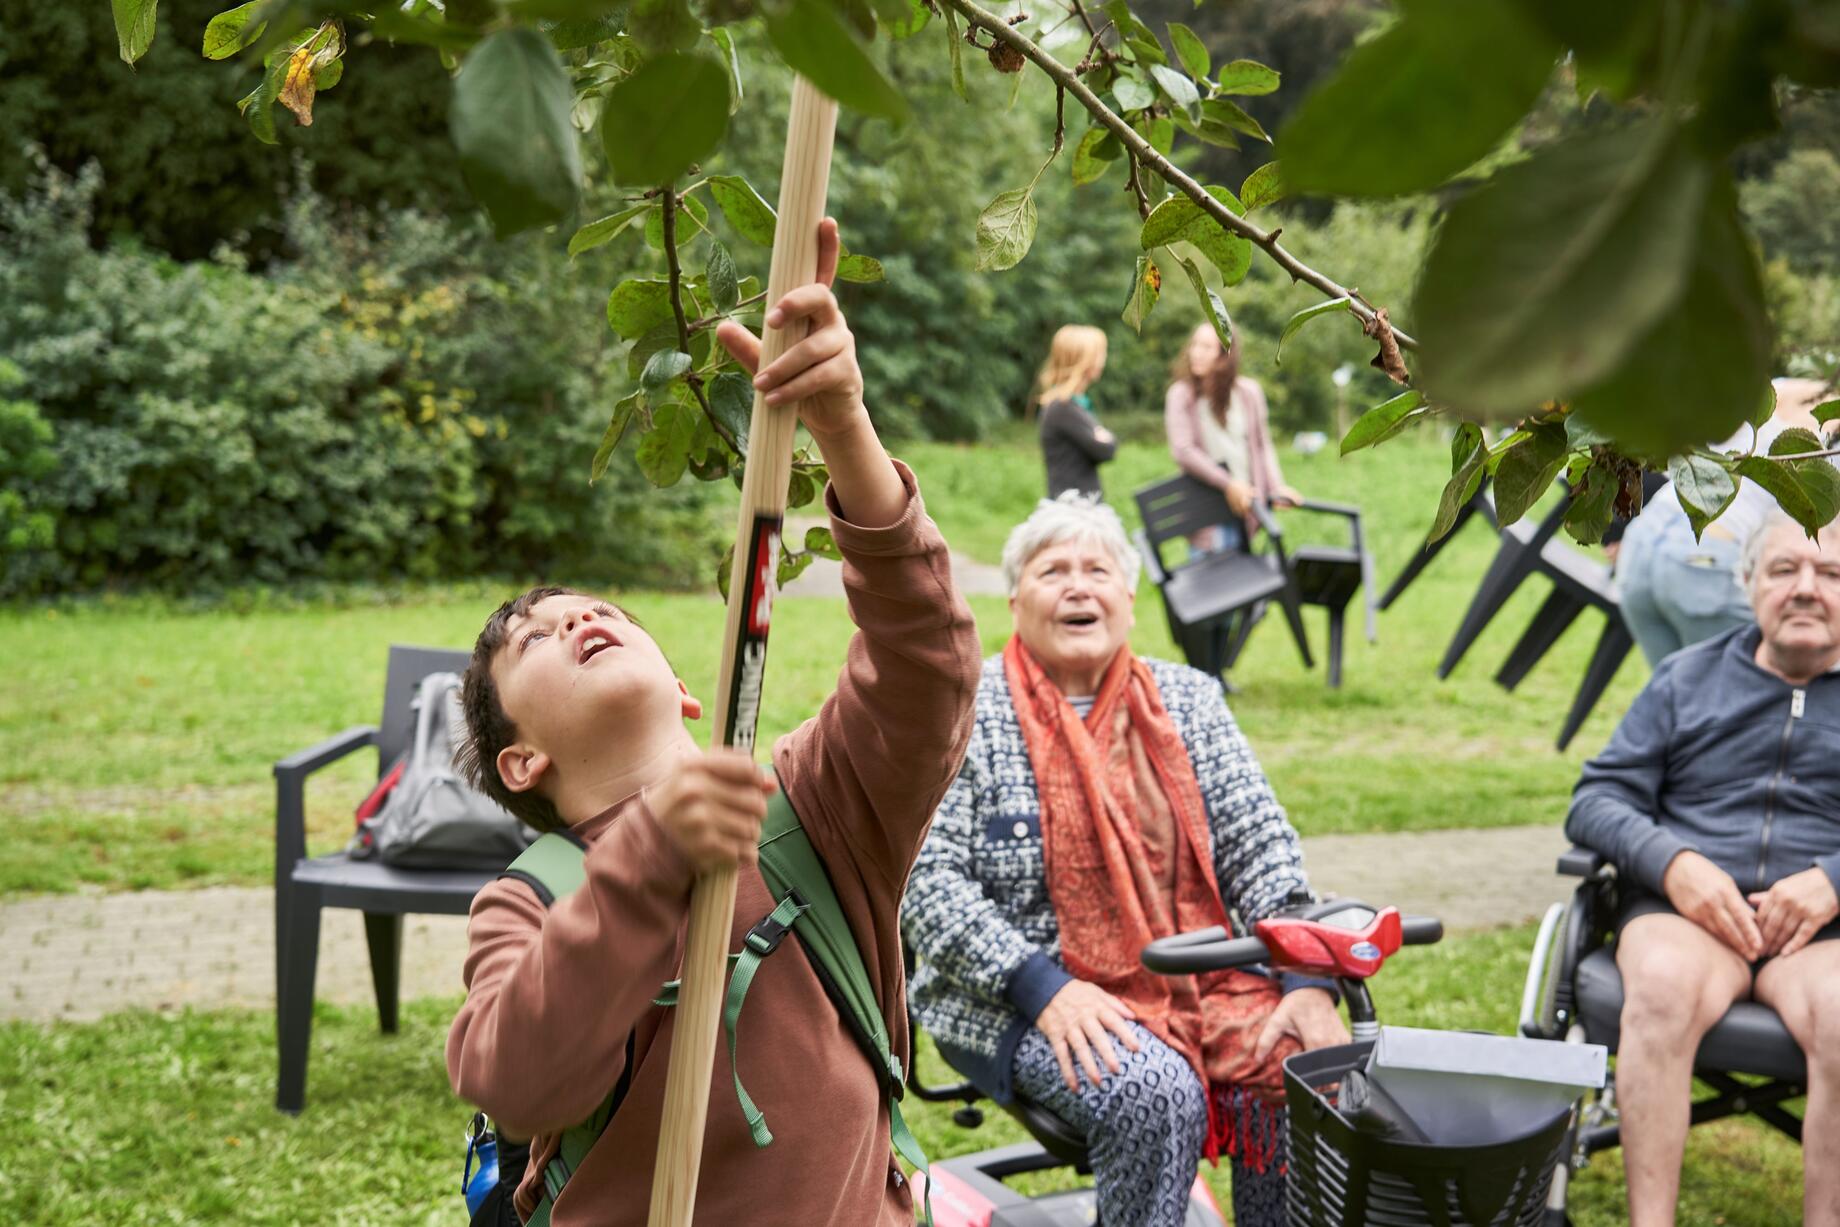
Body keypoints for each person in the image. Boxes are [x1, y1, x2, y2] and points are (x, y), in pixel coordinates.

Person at [444, 219, 980, 1227]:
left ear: (688, 688)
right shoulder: (529, 903)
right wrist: (652, 853)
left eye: (597, 612)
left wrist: (842, 427)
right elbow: (514, 1080)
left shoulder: (808, 809)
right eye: (535, 640)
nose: (578, 618)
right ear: (523, 761)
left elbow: (928, 671)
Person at [902, 493, 1348, 1227]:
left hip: (1194, 979)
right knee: (1152, 1091)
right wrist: (1045, 987)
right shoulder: (965, 707)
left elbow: (1261, 849)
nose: (1079, 585)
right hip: (1007, 998)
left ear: (1129, 600)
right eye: (1053, 571)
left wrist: (1303, 976)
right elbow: (927, 882)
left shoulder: (1191, 701)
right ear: (1015, 599)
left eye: (1097, 569)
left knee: (1296, 1061)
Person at [1566, 511, 1840, 1227]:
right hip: (1687, 920)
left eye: (1832, 573)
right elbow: (1596, 799)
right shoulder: (1685, 678)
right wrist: (1676, 863)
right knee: (1658, 985)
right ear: (1748, 583)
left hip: (1824, 935)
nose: (1806, 588)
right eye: (1784, 569)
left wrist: (1833, 879)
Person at [1615, 377, 1831, 665]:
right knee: (1733, 696)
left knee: (1675, 696)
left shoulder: (1774, 390)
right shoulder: (1831, 431)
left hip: (1644, 543)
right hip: (1708, 557)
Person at [1164, 323, 1302, 554]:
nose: (1196, 352)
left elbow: (1261, 446)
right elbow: (1183, 451)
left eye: (1206, 347)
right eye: (1194, 345)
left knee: (1245, 574)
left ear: (1225, 352)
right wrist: (1229, 484)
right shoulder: (1181, 395)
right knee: (1213, 583)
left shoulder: (1249, 393)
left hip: (1246, 506)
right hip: (1208, 511)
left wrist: (1276, 486)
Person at [1036, 324, 1117, 499]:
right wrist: (1101, 435)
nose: (1103, 360)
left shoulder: (1074, 404)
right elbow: (1105, 450)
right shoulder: (1063, 407)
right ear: (1084, 360)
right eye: (1099, 354)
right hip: (1074, 510)